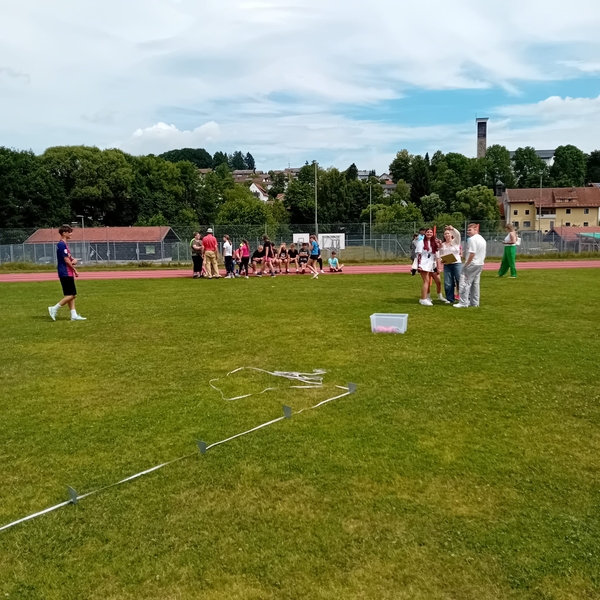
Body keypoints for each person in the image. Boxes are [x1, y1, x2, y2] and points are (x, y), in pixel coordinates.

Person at [48, 224, 86, 321]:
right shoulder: (61, 244)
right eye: (69, 232)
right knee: (72, 295)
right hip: (65, 272)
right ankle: (54, 308)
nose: (71, 234)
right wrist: (75, 269)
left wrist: (73, 260)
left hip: (66, 272)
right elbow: (66, 260)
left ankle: (74, 315)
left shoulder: (64, 244)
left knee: (69, 295)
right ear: (64, 233)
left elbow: (68, 257)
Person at [455, 223, 487, 308]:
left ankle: (463, 302)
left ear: (475, 230)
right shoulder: (482, 239)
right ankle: (474, 302)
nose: (468, 231)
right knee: (475, 284)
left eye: (470, 230)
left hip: (472, 263)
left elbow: (472, 253)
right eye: (467, 230)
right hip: (479, 263)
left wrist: (467, 263)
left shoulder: (472, 239)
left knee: (464, 282)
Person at [414, 228, 447, 306]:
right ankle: (423, 299)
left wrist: (440, 243)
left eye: (431, 232)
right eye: (427, 232)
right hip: (423, 264)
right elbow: (419, 254)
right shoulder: (421, 242)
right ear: (425, 233)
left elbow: (438, 251)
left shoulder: (433, 242)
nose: (429, 233)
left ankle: (426, 298)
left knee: (429, 281)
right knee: (426, 281)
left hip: (430, 265)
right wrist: (419, 266)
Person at [439, 226, 462, 303]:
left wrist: (452, 229)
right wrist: (442, 260)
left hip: (457, 264)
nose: (446, 235)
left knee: (460, 280)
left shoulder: (456, 242)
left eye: (448, 233)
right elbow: (441, 254)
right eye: (445, 234)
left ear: (451, 234)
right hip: (447, 265)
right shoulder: (443, 244)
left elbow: (458, 234)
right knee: (448, 282)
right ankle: (450, 299)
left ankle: (464, 298)